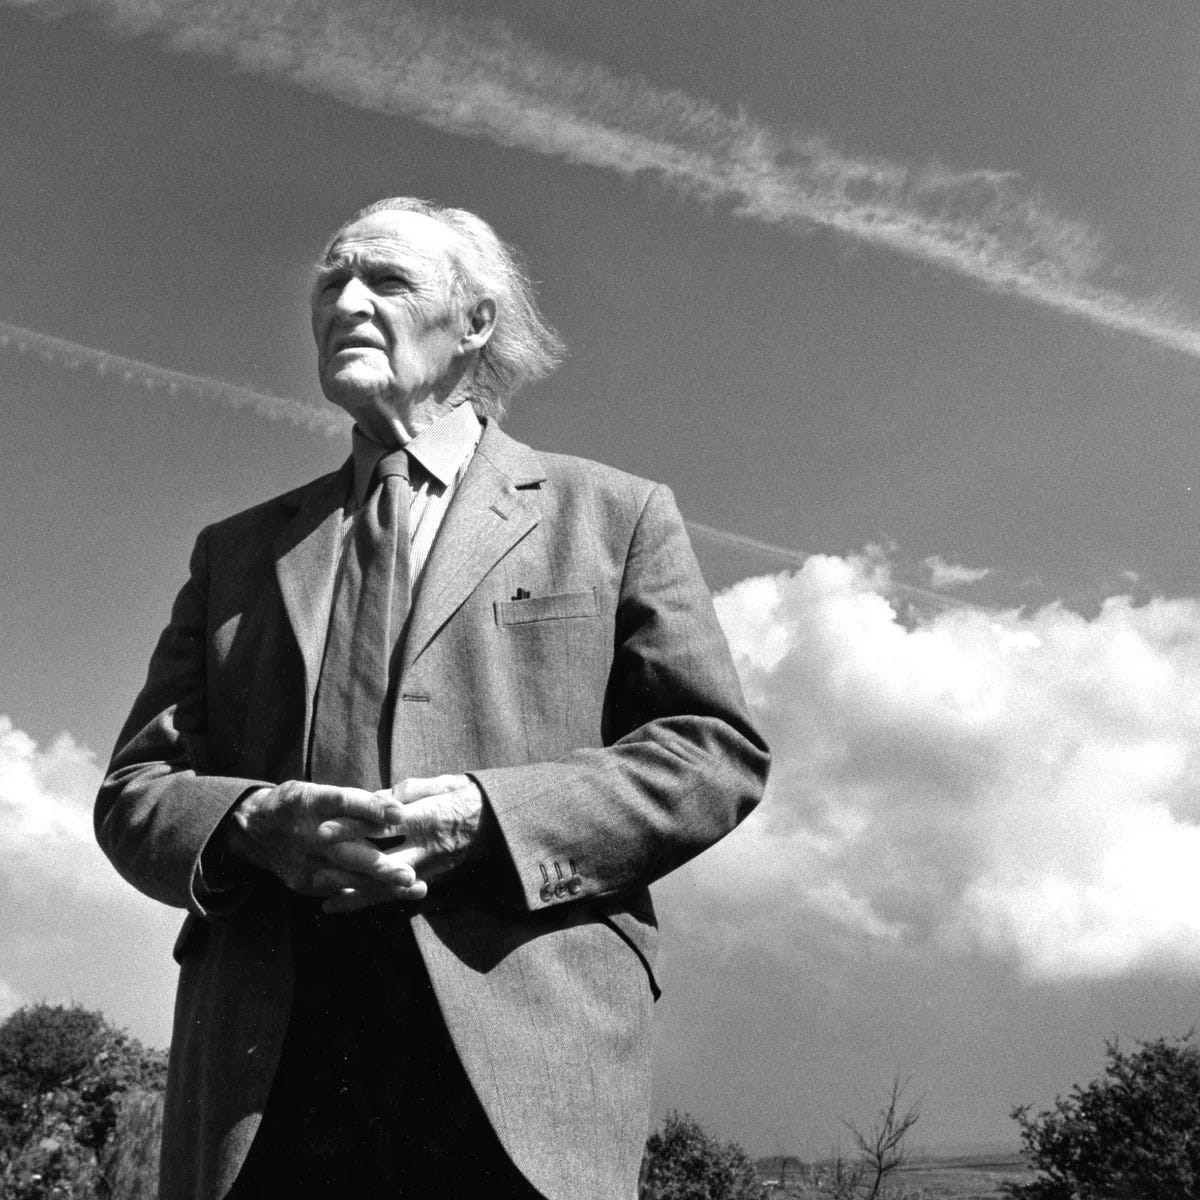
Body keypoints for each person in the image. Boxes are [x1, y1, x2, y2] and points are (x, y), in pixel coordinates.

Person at [96, 197, 770, 1200]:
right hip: (268, 1076)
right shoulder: (233, 553)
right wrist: (252, 824)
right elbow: (136, 790)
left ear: (476, 322)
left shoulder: (614, 515)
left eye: (386, 280)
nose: (344, 302)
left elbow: (710, 751)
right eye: (331, 281)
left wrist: (486, 818)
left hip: (521, 1064)